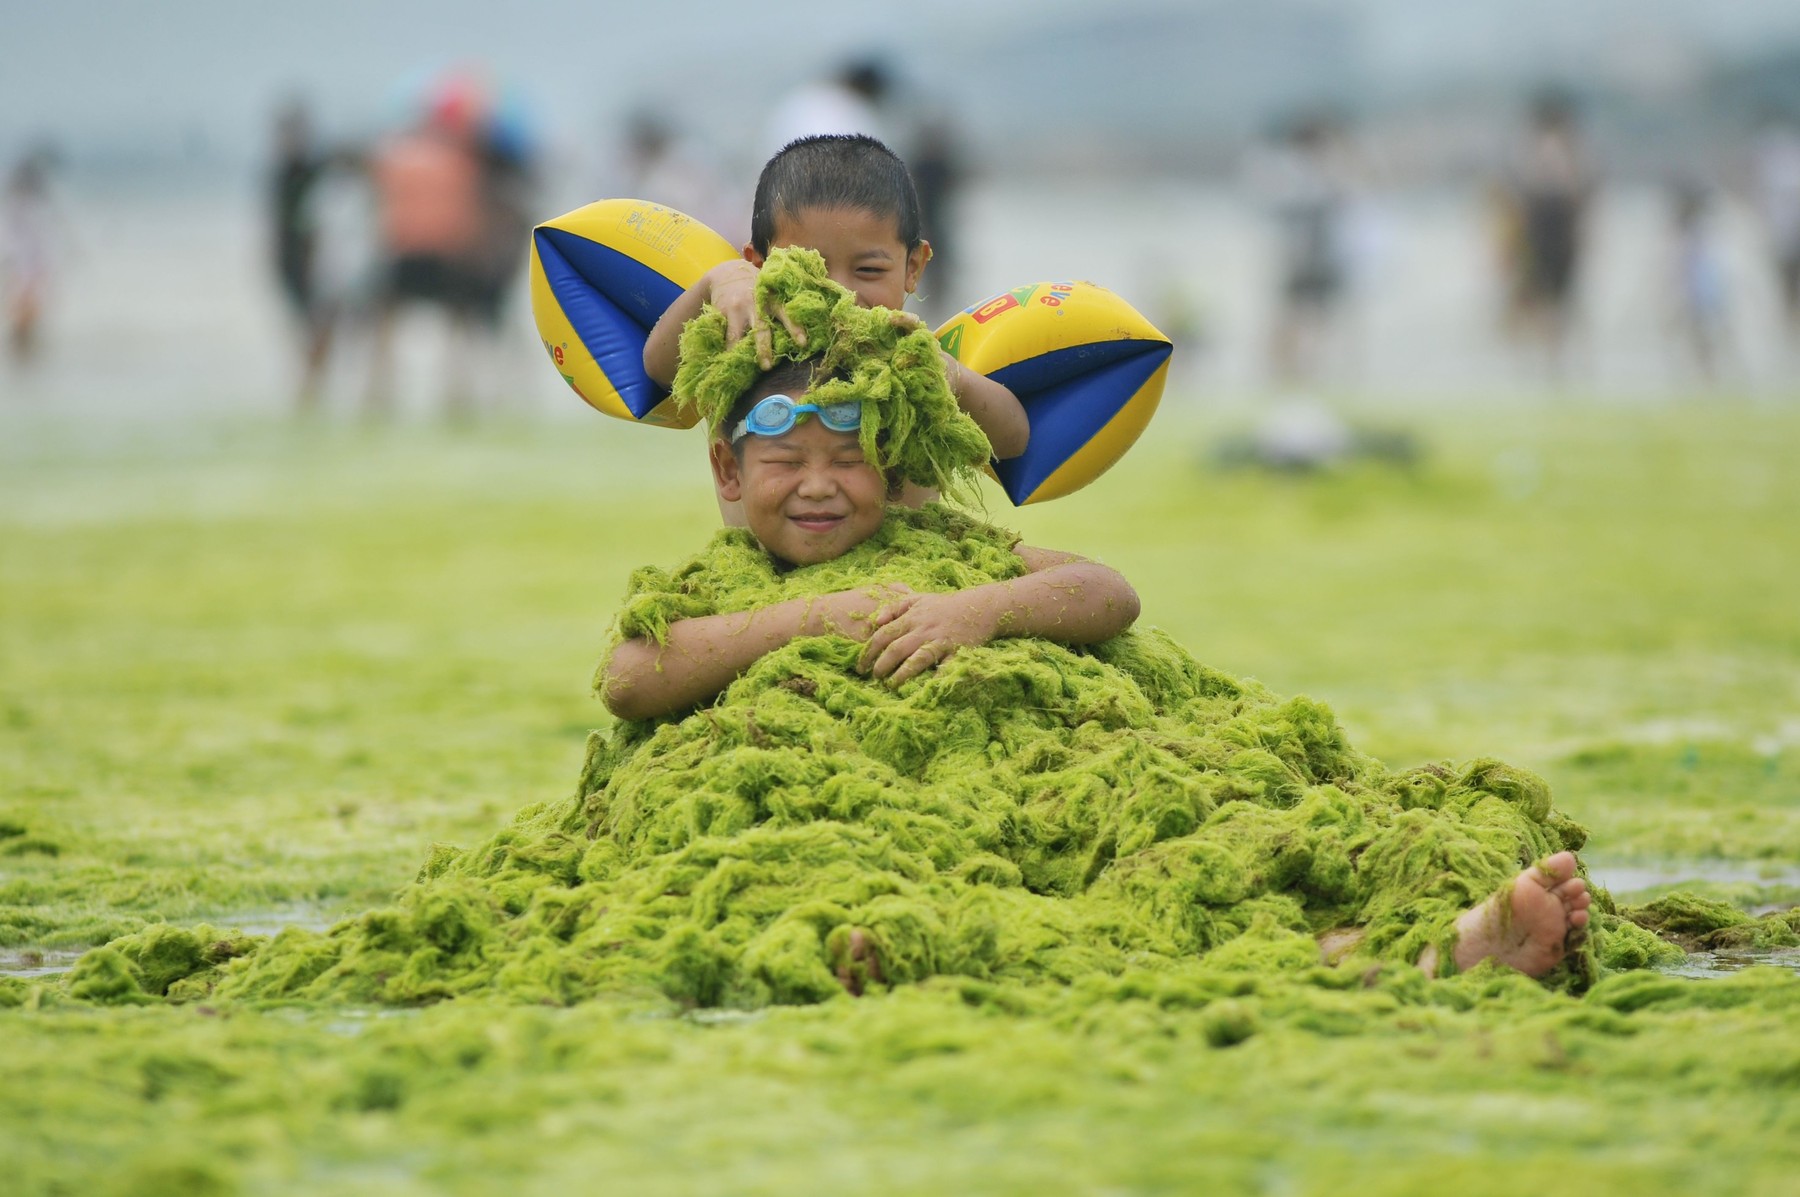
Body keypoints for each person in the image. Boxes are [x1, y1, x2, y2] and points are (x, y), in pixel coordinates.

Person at [607, 255, 1592, 992]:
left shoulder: (945, 550)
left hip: (1038, 795)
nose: (820, 486)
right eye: (786, 465)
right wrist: (805, 616)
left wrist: (980, 611)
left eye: (848, 460)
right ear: (730, 474)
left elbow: (1106, 591)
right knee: (1033, 926)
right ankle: (1393, 961)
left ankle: (1414, 935)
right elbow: (634, 676)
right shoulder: (721, 579)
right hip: (872, 840)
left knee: (1198, 850)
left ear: (891, 467)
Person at [642, 133, 1029, 523]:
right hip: (765, 580)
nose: (841, 293)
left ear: (913, 268)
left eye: (869, 271)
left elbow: (1013, 439)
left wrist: (946, 375)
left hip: (903, 576)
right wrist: (718, 281)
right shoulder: (745, 344)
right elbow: (659, 369)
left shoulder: (913, 363)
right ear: (759, 265)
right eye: (811, 270)